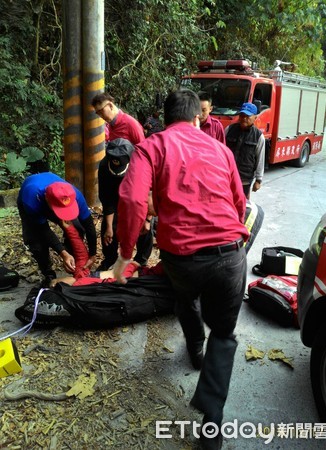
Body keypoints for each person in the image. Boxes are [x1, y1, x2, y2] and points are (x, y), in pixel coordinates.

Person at [114, 89, 248, 450]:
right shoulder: (220, 148)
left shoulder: (151, 147)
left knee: (185, 299)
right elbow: (240, 201)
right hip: (230, 256)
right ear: (196, 118)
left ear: (166, 117)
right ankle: (212, 426)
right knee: (225, 334)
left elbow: (130, 198)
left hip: (183, 259)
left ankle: (195, 348)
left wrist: (125, 255)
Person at [17, 172, 97, 286]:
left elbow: (88, 225)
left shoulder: (76, 195)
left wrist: (93, 254)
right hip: (33, 199)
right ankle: (48, 274)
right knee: (36, 242)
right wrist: (62, 253)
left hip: (57, 198)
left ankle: (74, 264)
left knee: (77, 229)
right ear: (47, 200)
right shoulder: (31, 200)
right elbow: (43, 230)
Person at [97, 138, 153, 270]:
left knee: (144, 229)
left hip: (138, 199)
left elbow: (150, 194)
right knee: (108, 230)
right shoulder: (104, 165)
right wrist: (110, 227)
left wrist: (147, 219)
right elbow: (107, 198)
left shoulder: (141, 164)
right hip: (116, 199)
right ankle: (110, 260)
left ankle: (141, 260)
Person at [224, 102, 265, 199]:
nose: (244, 118)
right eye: (242, 115)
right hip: (227, 176)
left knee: (242, 205)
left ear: (255, 117)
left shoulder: (259, 136)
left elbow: (260, 159)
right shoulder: (229, 130)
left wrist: (258, 180)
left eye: (248, 116)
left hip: (245, 180)